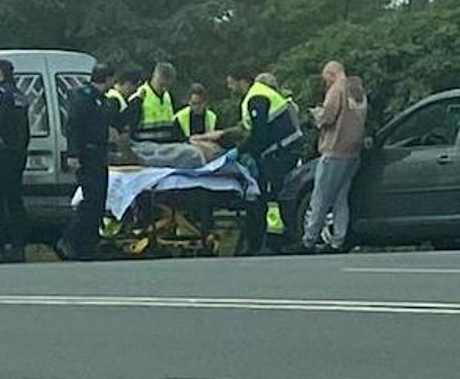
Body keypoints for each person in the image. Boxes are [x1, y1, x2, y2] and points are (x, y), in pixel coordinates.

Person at [202, 69, 302, 255]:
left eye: (231, 83)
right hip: (280, 151)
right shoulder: (258, 95)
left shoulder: (257, 97)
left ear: (241, 81)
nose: (230, 88)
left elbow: (259, 133)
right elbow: (247, 130)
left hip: (278, 153)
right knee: (268, 196)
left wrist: (240, 152)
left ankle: (273, 241)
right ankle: (268, 241)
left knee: (270, 197)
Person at [301, 61, 367, 253]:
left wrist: (316, 113)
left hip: (334, 149)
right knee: (341, 197)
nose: (326, 83)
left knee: (321, 196)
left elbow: (327, 118)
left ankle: (309, 239)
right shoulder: (358, 91)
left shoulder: (337, 89)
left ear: (331, 74)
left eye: (326, 79)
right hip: (353, 151)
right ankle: (339, 240)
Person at [57, 63, 115, 261]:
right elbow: (74, 127)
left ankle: (88, 245)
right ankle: (70, 240)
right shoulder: (83, 98)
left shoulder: (101, 100)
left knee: (98, 201)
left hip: (99, 154)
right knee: (90, 200)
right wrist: (73, 154)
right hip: (87, 155)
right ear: (107, 79)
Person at [0, 58, 31, 264]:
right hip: (18, 153)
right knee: (15, 200)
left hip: (2, 152)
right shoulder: (20, 94)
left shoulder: (0, 92)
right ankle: (19, 247)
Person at [125, 62, 180, 143]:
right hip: (145, 146)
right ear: (155, 77)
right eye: (162, 84)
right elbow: (130, 128)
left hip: (165, 145)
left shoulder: (167, 97)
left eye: (167, 85)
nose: (164, 88)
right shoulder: (139, 96)